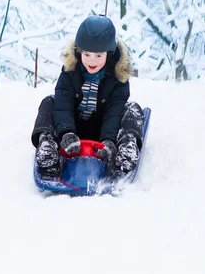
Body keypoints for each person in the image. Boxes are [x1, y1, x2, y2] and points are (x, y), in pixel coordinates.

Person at [31, 15, 144, 179]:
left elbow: (114, 110)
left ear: (109, 54)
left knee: (132, 109)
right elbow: (63, 104)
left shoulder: (118, 77)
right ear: (79, 51)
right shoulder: (70, 72)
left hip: (103, 129)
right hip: (74, 129)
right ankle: (48, 145)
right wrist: (66, 133)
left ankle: (126, 149)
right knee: (49, 102)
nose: (92, 60)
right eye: (87, 55)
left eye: (99, 56)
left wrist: (109, 140)